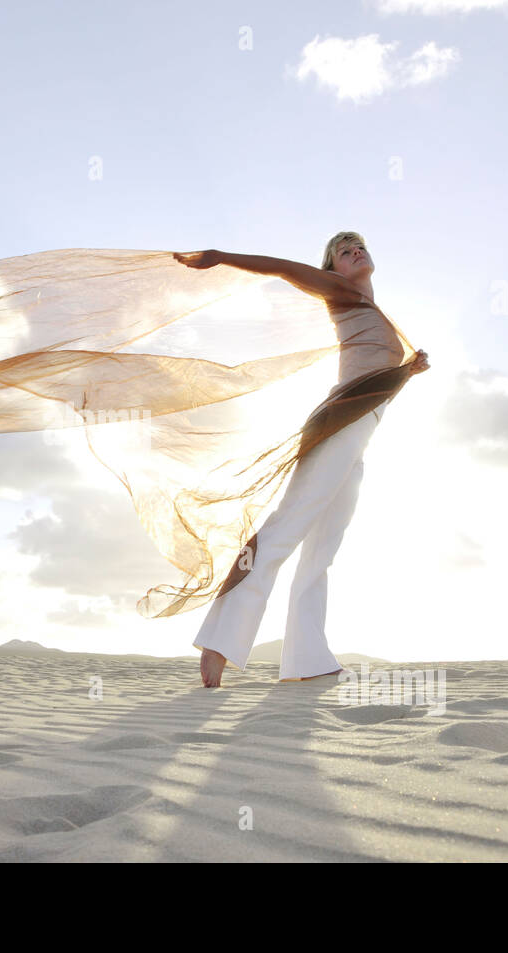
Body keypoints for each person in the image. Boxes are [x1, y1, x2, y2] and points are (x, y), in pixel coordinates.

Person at [173, 233, 429, 687]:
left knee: (322, 549)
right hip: (338, 423)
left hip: (359, 435)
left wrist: (406, 371)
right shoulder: (342, 291)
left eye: (360, 245)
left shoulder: (375, 315)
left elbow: (372, 379)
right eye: (343, 251)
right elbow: (284, 267)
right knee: (286, 527)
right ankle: (218, 642)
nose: (355, 251)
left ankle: (307, 661)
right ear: (333, 271)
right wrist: (223, 257)